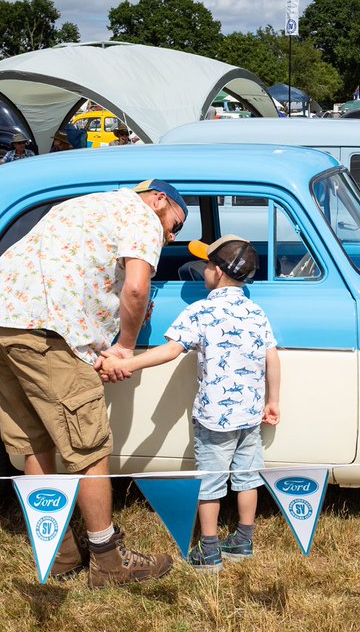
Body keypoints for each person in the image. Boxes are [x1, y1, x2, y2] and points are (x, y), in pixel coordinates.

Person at [0, 178, 188, 587]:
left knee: (35, 441)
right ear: (159, 200)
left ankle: (58, 553)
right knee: (89, 446)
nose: (172, 235)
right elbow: (136, 287)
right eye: (175, 224)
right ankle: (108, 559)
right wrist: (125, 346)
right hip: (51, 334)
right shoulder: (142, 216)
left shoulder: (88, 204)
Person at [99, 235, 281, 572]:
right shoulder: (257, 312)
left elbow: (170, 350)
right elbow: (272, 357)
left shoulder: (201, 310)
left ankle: (209, 549)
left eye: (207, 264)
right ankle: (244, 540)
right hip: (250, 414)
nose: (204, 270)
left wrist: (127, 364)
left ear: (217, 272)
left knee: (210, 482)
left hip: (214, 417)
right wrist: (273, 401)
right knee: (248, 478)